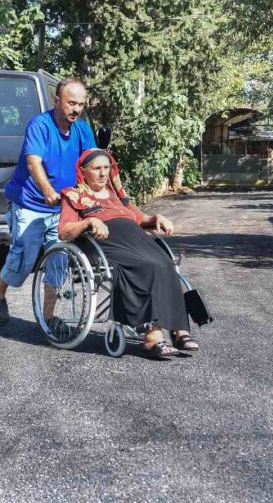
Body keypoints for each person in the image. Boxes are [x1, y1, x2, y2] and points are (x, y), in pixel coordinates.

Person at [58, 148, 199, 359]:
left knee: (166, 263)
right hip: (107, 244)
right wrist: (89, 221)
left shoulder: (117, 196)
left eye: (107, 168)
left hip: (137, 240)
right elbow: (64, 231)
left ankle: (179, 331)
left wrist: (156, 218)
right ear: (83, 171)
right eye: (97, 168)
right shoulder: (74, 195)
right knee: (148, 265)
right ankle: (152, 337)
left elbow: (140, 218)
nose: (103, 173)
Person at [0, 78, 95, 324]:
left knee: (59, 259)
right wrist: (47, 189)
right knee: (23, 258)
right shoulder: (40, 125)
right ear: (57, 101)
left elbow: (91, 164)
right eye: (71, 103)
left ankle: (48, 317)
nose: (76, 109)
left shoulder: (83, 130)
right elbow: (34, 162)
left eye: (81, 104)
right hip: (30, 203)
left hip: (63, 207)